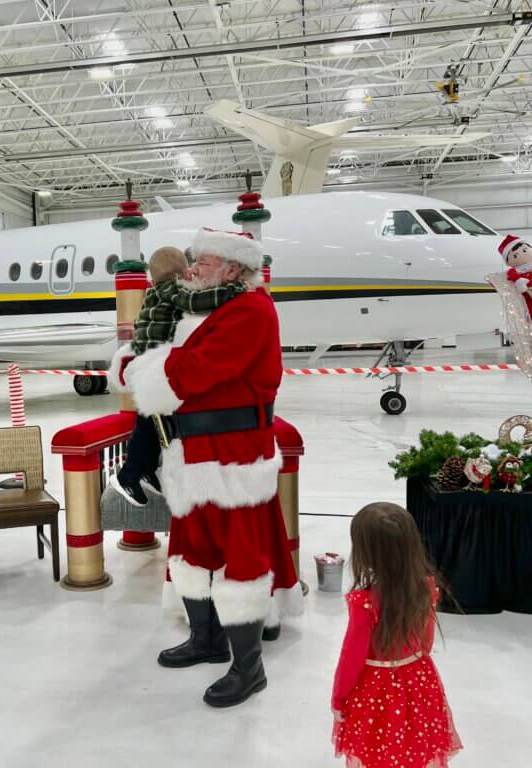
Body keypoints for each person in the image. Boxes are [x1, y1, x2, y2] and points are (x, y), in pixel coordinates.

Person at [119, 227, 303, 707]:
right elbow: (166, 359)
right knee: (191, 548)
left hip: (233, 461)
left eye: (203, 260)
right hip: (192, 455)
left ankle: (249, 668)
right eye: (195, 259)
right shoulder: (207, 308)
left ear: (232, 268)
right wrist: (144, 363)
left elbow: (190, 371)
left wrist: (140, 369)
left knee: (240, 558)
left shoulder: (251, 310)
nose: (193, 266)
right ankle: (207, 639)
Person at [109, 245, 246, 507]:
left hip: (151, 363)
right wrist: (232, 291)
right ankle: (128, 475)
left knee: (151, 424)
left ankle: (144, 471)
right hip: (152, 366)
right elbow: (193, 301)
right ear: (181, 272)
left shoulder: (157, 290)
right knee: (149, 425)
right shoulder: (170, 289)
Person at [331, 502, 462, 768]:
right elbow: (426, 643)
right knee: (414, 747)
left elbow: (352, 658)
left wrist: (339, 697)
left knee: (376, 751)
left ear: (367, 553)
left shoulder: (364, 602)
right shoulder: (426, 587)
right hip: (419, 680)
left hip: (375, 688)